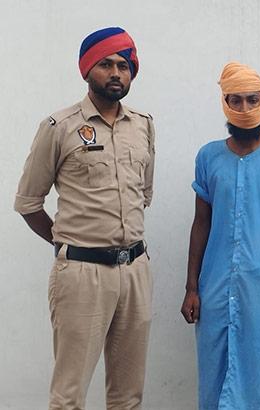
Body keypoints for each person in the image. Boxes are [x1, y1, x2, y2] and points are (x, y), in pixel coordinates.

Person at [14, 27, 155, 409]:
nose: (116, 73)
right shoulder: (59, 127)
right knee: (69, 395)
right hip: (81, 274)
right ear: (87, 70)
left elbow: (143, 194)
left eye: (123, 66)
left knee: (128, 396)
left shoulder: (143, 125)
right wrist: (68, 244)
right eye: (105, 64)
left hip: (135, 271)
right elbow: (28, 202)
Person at [180, 61, 260, 410]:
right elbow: (201, 223)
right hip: (216, 289)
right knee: (216, 376)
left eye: (252, 99)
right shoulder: (208, 157)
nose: (244, 108)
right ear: (224, 102)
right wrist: (192, 287)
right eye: (235, 100)